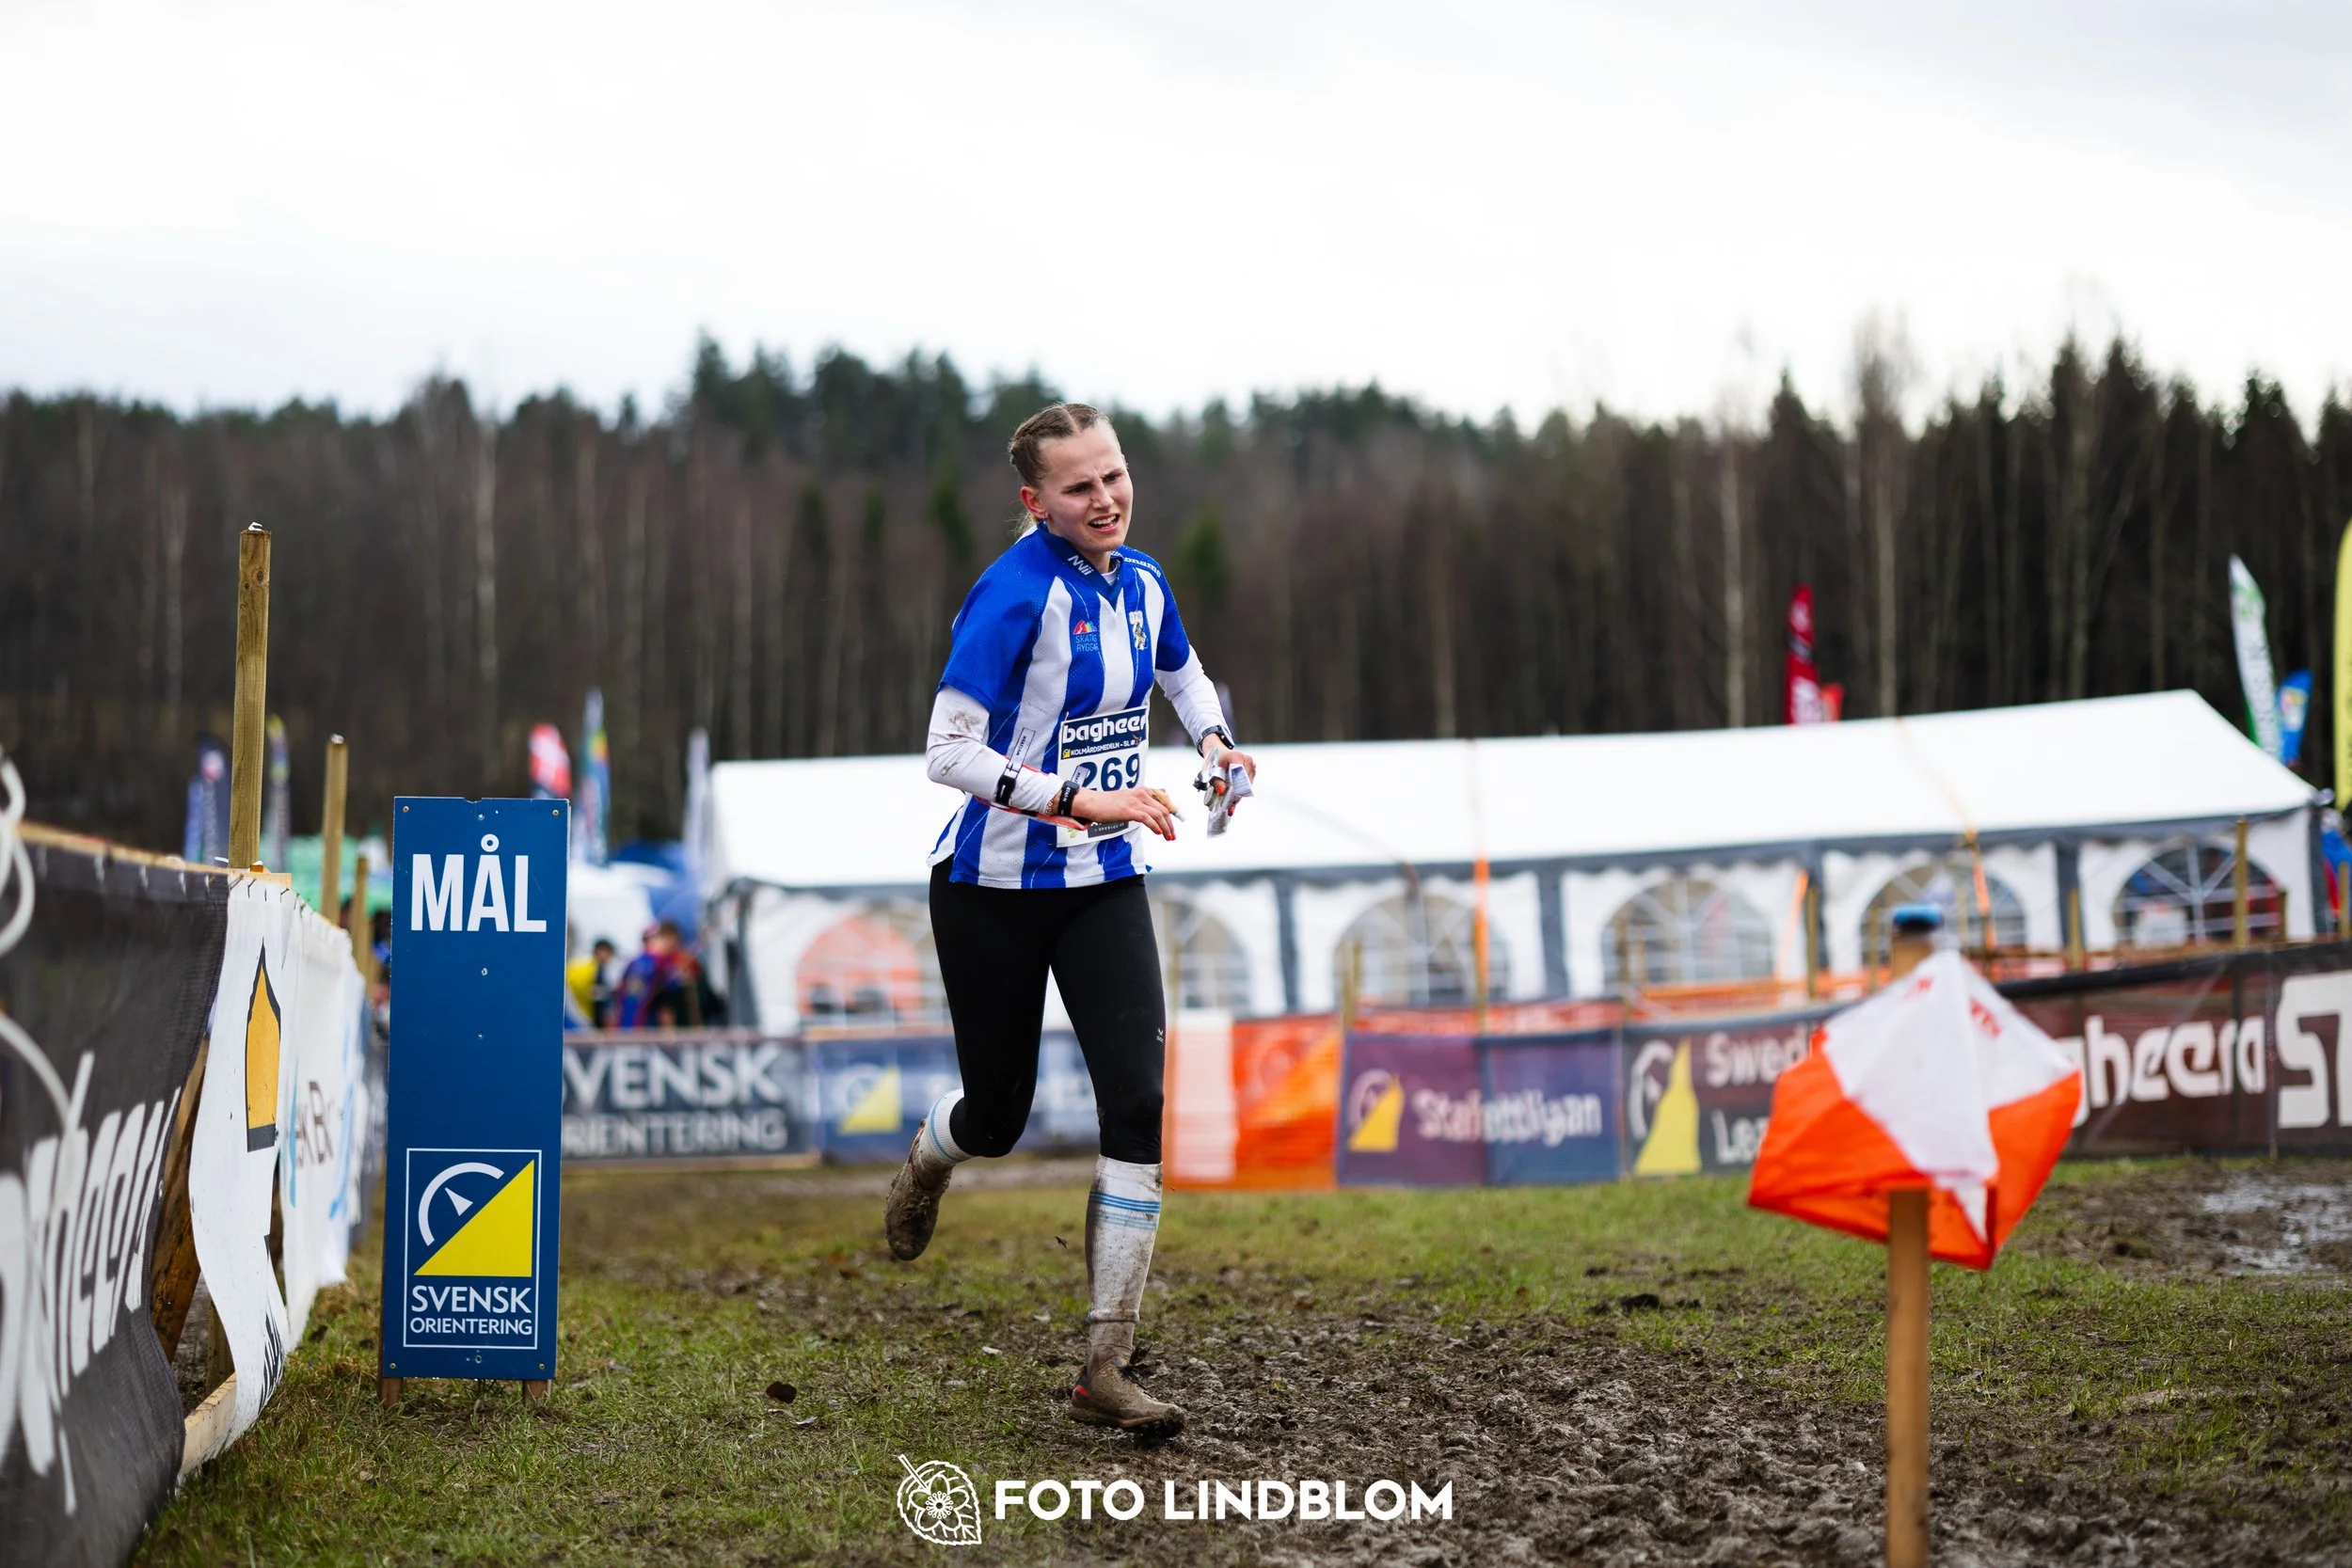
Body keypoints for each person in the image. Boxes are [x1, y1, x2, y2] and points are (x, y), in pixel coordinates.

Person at [883, 402, 1257, 1441]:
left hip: (1104, 883)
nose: (1106, 498)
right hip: (990, 893)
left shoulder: (1142, 582)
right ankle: (933, 1150)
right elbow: (945, 751)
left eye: (1116, 475)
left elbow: (1180, 670)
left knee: (1136, 1101)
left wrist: (1218, 742)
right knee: (999, 1116)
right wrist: (1078, 797)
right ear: (1034, 500)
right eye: (1080, 486)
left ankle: (1105, 1363)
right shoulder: (1011, 595)